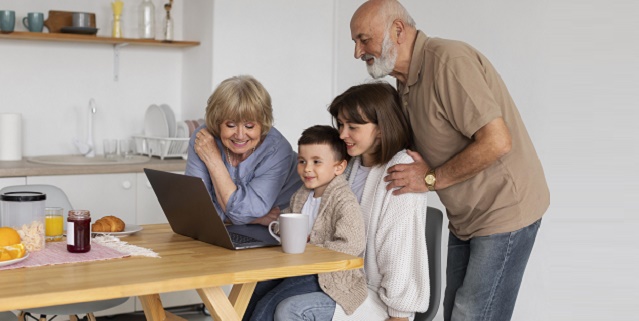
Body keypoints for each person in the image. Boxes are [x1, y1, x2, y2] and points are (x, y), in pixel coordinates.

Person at [350, 1, 551, 320]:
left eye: (363, 39)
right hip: (465, 216)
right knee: (454, 314)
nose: (358, 52)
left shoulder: (448, 62)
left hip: (503, 210)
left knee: (472, 316)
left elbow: (497, 141)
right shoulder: (403, 83)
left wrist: (430, 180)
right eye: (355, 42)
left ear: (398, 30)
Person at [275, 82, 429, 321]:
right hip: (336, 279)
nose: (342, 134)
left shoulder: (400, 171)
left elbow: (400, 249)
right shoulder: (350, 166)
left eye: (353, 127)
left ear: (381, 128)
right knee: (260, 288)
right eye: (341, 125)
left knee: (292, 309)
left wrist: (399, 315)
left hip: (372, 296)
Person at [243, 125, 367, 321]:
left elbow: (351, 245)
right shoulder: (301, 195)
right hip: (298, 269)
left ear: (339, 167)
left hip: (327, 276)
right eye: (302, 161)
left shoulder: (344, 201)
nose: (307, 168)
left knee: (272, 300)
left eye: (316, 162)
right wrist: (278, 226)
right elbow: (286, 219)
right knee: (254, 288)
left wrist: (311, 248)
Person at [185, 75, 302, 225]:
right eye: (231, 125)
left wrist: (214, 161)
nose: (240, 135)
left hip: (278, 229)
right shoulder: (203, 139)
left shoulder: (277, 150)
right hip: (229, 229)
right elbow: (195, 209)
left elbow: (244, 213)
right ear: (217, 122)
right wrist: (255, 219)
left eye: (249, 126)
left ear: (263, 123)